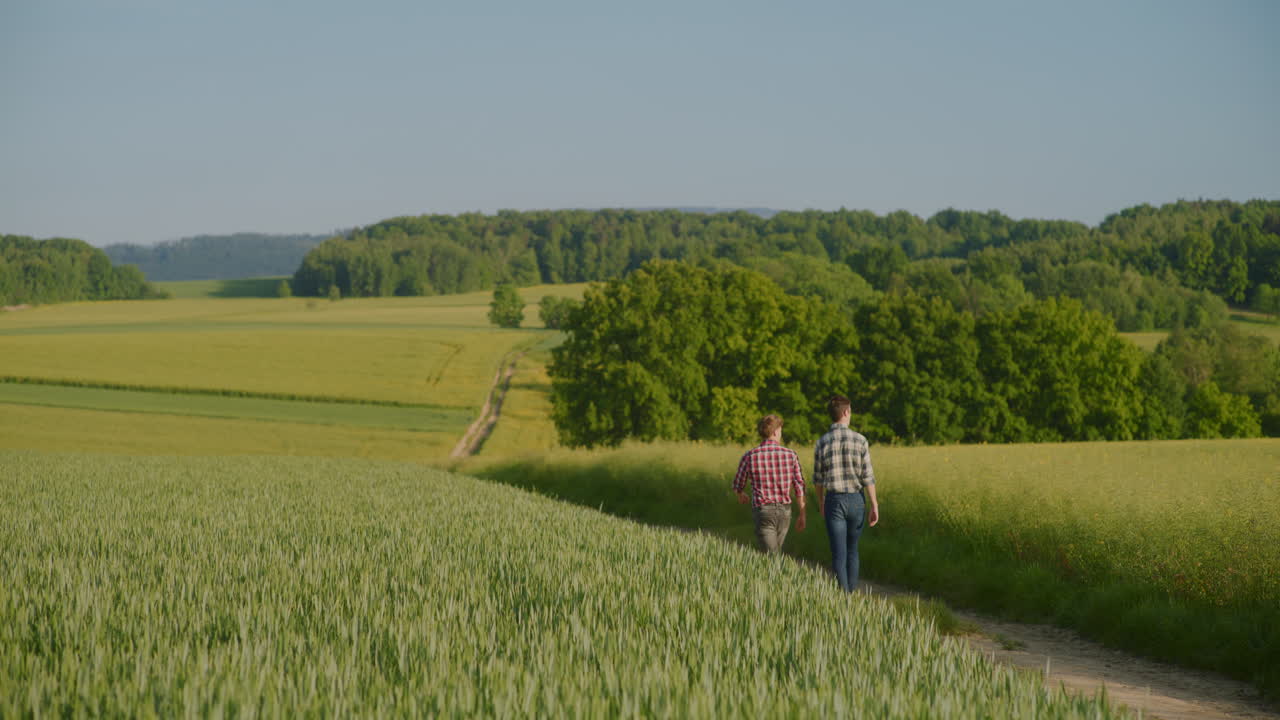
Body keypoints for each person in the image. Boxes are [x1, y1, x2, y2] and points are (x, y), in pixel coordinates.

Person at [813, 395, 879, 591]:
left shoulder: (822, 442)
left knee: (838, 554)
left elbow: (818, 479)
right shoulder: (860, 440)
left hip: (834, 500)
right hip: (856, 500)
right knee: (853, 551)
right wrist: (874, 504)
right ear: (845, 412)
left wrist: (820, 502)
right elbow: (867, 476)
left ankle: (844, 599)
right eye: (850, 411)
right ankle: (851, 593)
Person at [732, 414, 807, 554]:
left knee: (771, 557)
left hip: (763, 512)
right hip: (785, 512)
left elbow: (737, 484)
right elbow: (799, 487)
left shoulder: (750, 456)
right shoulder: (791, 455)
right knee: (774, 555)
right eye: (780, 430)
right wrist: (802, 513)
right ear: (775, 432)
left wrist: (741, 494)